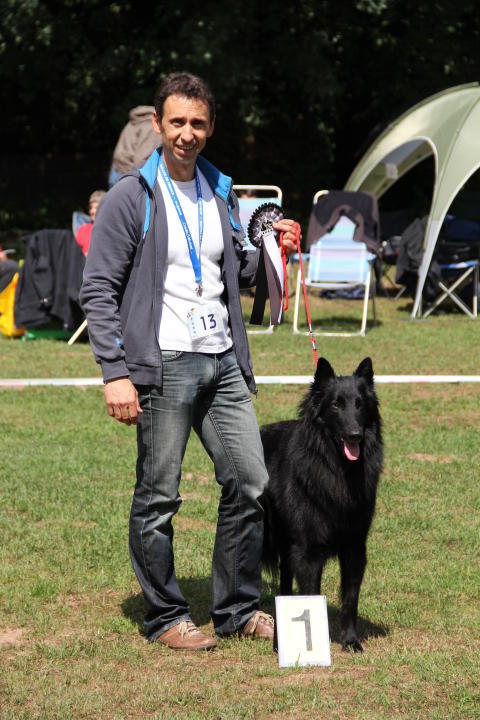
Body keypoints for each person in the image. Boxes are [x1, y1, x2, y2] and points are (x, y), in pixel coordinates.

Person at [80, 72, 299, 651]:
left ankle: (236, 608)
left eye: (197, 123)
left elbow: (237, 273)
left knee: (251, 481)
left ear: (210, 126)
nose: (186, 134)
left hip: (223, 360)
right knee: (159, 496)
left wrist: (275, 251)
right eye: (176, 122)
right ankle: (166, 616)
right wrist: (115, 371)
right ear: (158, 124)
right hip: (164, 364)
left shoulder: (218, 190)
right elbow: (98, 287)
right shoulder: (134, 194)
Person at [108, 105, 161, 187]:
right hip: (128, 175)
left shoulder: (136, 120)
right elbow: (142, 160)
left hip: (116, 171)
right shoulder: (152, 127)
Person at [74, 190, 106, 256]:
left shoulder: (110, 230)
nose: (92, 211)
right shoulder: (82, 229)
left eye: (97, 208)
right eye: (90, 208)